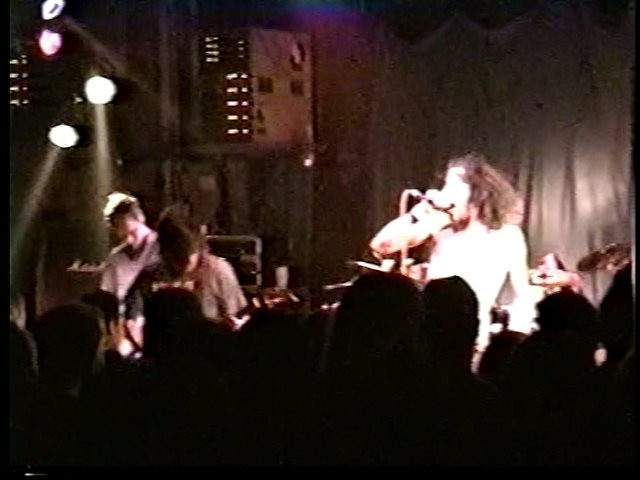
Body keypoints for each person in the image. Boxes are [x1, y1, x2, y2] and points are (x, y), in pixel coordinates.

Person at [370, 153, 535, 354]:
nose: (446, 193)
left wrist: (516, 336)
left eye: (453, 187)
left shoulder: (507, 235)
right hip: (426, 336)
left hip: (473, 341)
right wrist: (415, 215)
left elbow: (523, 293)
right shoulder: (440, 227)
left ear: (476, 193)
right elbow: (382, 245)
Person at [134, 211, 248, 326]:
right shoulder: (151, 272)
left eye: (184, 255)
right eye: (173, 255)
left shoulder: (218, 270)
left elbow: (239, 317)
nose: (179, 262)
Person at [100, 192, 161, 322]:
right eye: (112, 220)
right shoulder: (116, 258)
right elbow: (107, 297)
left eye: (116, 218)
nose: (113, 225)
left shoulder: (161, 248)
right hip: (127, 324)